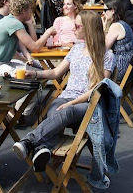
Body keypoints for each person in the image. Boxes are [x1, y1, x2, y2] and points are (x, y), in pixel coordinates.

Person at [13, 11, 115, 172]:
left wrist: (72, 102)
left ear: (88, 29)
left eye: (77, 26)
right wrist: (35, 74)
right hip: (66, 97)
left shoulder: (107, 55)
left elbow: (98, 89)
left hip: (88, 103)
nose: (73, 29)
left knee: (65, 111)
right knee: (54, 109)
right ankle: (43, 149)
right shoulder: (76, 49)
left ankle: (29, 141)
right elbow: (55, 73)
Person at [0, 0, 56, 66]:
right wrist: (48, 32)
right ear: (24, 10)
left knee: (41, 68)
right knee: (40, 71)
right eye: (30, 10)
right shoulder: (14, 24)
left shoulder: (9, 20)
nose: (31, 13)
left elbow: (33, 43)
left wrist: (30, 24)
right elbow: (35, 47)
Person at [102, 0, 133, 83]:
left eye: (105, 10)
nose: (103, 13)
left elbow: (104, 48)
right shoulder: (124, 24)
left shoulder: (116, 26)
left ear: (112, 11)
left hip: (120, 68)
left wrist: (103, 28)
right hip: (130, 67)